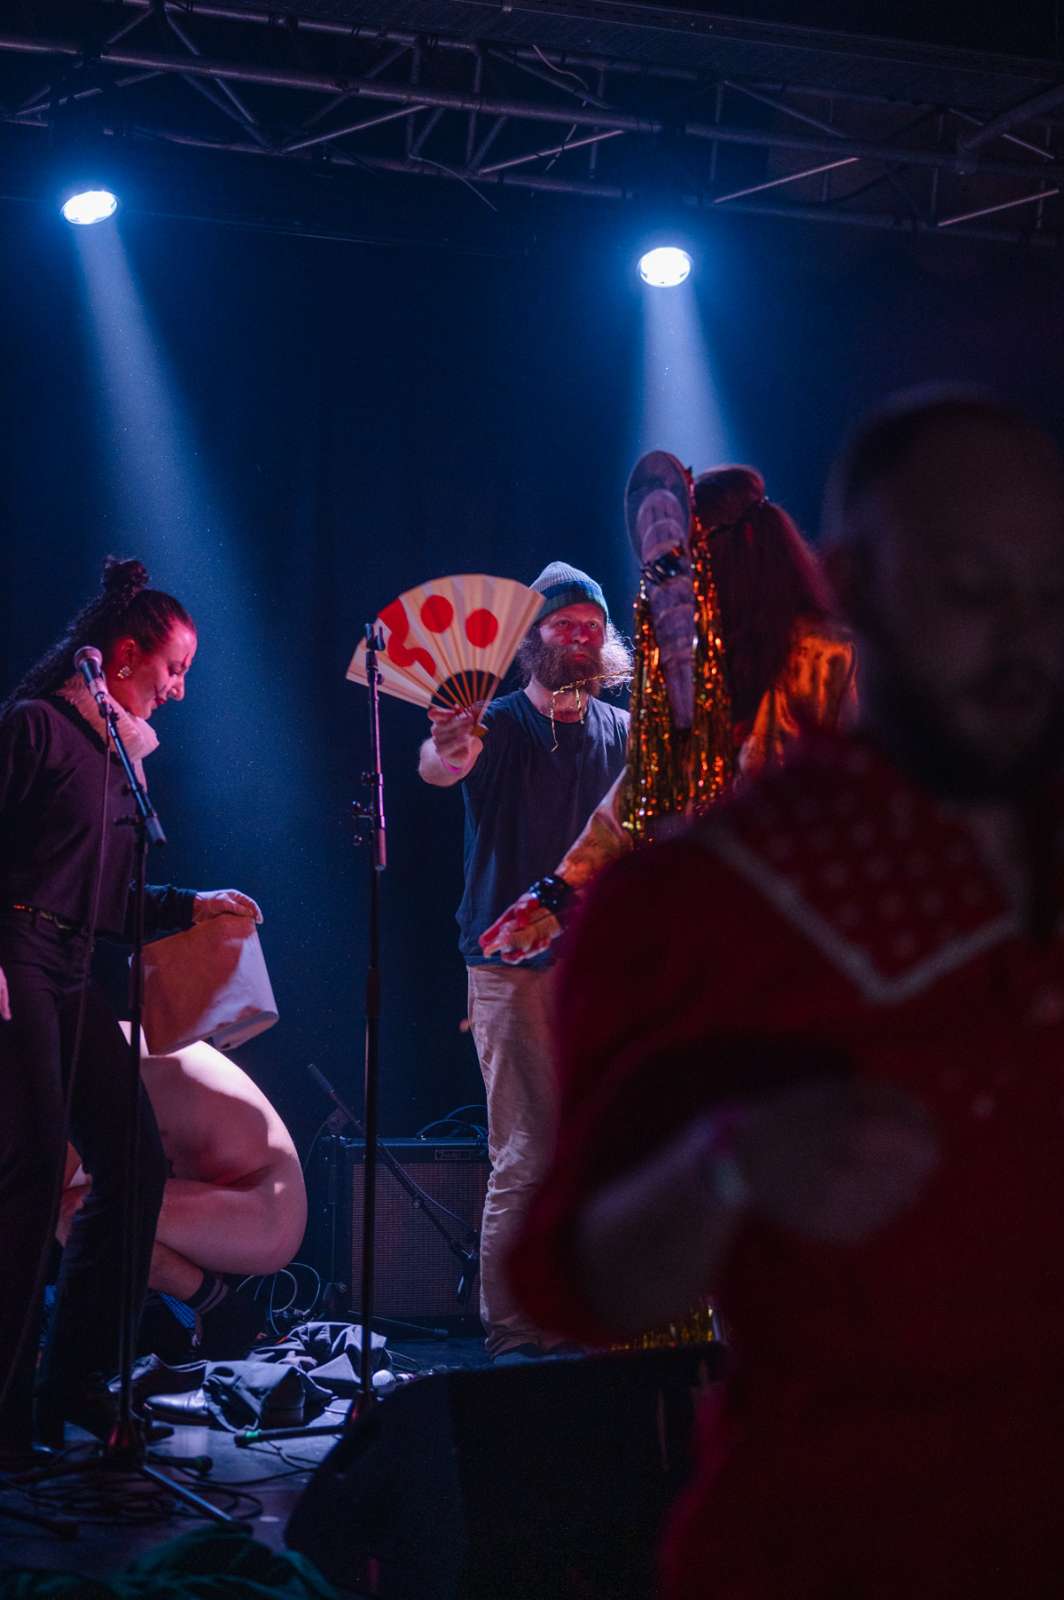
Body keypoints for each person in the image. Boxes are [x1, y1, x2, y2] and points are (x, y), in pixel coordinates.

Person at [509, 390, 1064, 1597]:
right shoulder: (702, 903)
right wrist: (728, 1163)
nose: (1023, 637)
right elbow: (576, 1274)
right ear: (855, 584)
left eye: (1051, 593)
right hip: (829, 1545)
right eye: (972, 588)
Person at [0, 556, 262, 1455]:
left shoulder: (119, 759)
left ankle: (71, 1381)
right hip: (15, 958)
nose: (180, 690)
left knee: (135, 1162)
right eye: (174, 669)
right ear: (122, 657)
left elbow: (109, 902)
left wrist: (195, 905)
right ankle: (6, 1403)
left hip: (72, 968)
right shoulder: (36, 727)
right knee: (34, 1170)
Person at [481, 460, 856, 964]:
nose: (672, 591)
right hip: (717, 936)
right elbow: (642, 791)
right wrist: (556, 894)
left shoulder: (829, 659)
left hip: (817, 937)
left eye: (683, 565)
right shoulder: (697, 675)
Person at [419, 561, 630, 1359]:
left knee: (603, 1145)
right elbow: (442, 765)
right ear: (533, 637)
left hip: (599, 968)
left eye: (590, 628)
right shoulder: (499, 723)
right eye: (563, 625)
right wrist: (446, 744)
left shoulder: (620, 731)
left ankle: (594, 1319)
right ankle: (512, 1334)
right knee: (525, 1153)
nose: (579, 639)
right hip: (509, 968)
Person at [59, 1030, 308, 1352]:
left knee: (79, 1214)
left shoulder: (78, 1056)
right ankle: (201, 1314)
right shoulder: (92, 1036)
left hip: (266, 1214)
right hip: (236, 1203)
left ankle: (223, 1309)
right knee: (89, 1209)